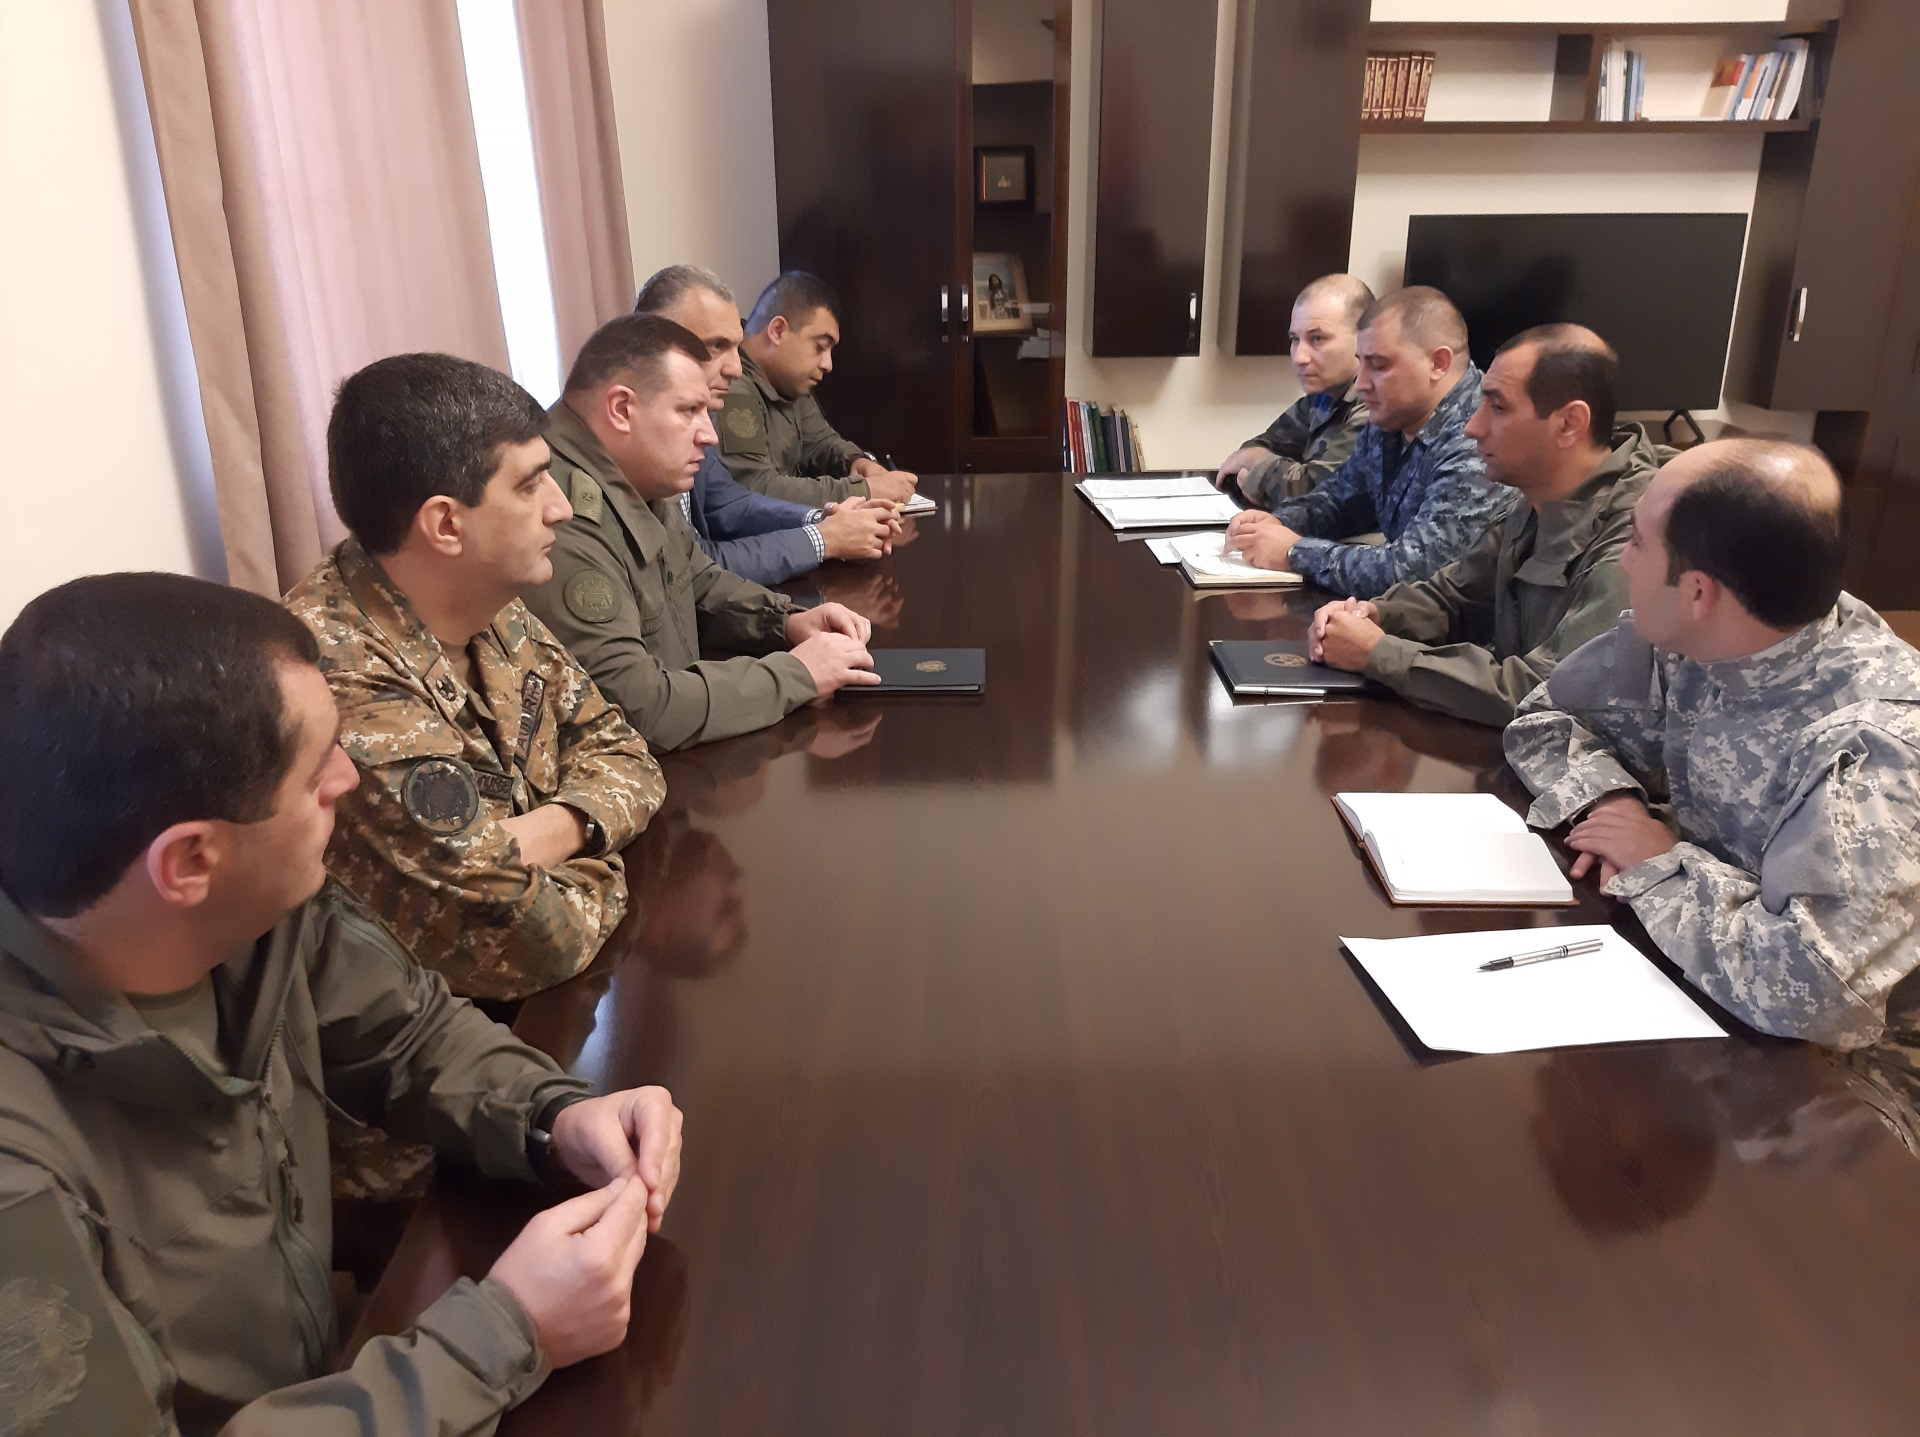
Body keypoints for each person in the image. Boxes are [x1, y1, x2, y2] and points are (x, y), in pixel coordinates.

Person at [0, 572, 683, 1435]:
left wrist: (552, 1116)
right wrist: (508, 1334)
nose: (348, 778)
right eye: (315, 767)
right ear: (190, 862)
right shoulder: (20, 1172)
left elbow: (409, 1034)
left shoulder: (251, 911)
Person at [1505, 438, 1920, 1049]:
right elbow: (1545, 719)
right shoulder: (1706, 637)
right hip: (1708, 990)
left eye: (1637, 542)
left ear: (1699, 592)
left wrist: (1659, 861)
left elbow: (1811, 991)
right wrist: (1613, 802)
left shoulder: (1872, 747)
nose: (1622, 561)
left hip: (1858, 1069)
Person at [286, 354, 664, 1002]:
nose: (561, 508)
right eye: (530, 485)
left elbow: (625, 750)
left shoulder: (484, 601)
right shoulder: (337, 676)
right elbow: (532, 937)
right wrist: (606, 846)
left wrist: (557, 828)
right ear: (445, 524)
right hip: (435, 1033)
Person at [525, 314, 881, 752]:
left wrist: (785, 621)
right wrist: (796, 674)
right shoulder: (561, 512)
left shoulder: (636, 472)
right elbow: (636, 707)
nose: (709, 435)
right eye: (689, 411)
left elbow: (696, 578)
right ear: (621, 409)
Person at [1306, 324, 1664, 725]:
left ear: (1569, 423)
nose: (1472, 427)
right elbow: (1456, 596)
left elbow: (1553, 693)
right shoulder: (1539, 499)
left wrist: (1380, 654)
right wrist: (1373, 615)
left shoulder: (1640, 538)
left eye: (1498, 408)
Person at [1222, 286, 1511, 597]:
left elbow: (1416, 570)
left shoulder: (1479, 436)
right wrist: (1276, 524)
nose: (1361, 384)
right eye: (1361, 363)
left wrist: (1294, 552)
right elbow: (1341, 500)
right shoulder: (1393, 416)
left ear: (1438, 363)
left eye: (1379, 365)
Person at [633, 263, 901, 585]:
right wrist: (826, 535)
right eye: (716, 346)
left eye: (734, 347)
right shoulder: (721, 398)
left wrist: (825, 518)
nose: (735, 368)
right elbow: (697, 569)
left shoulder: (781, 384)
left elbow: (732, 503)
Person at [715, 271, 919, 507]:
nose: (827, 364)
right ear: (778, 331)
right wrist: (864, 489)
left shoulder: (787, 382)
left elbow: (820, 441)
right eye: (819, 347)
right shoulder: (731, 387)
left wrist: (855, 461)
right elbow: (756, 489)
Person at [1213, 273, 1373, 506]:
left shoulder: (1376, 406)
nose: (1299, 357)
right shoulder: (1322, 398)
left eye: (1317, 339)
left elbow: (1320, 494)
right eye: (1295, 339)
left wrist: (1260, 471)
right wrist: (1264, 468)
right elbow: (1255, 450)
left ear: (1364, 338)